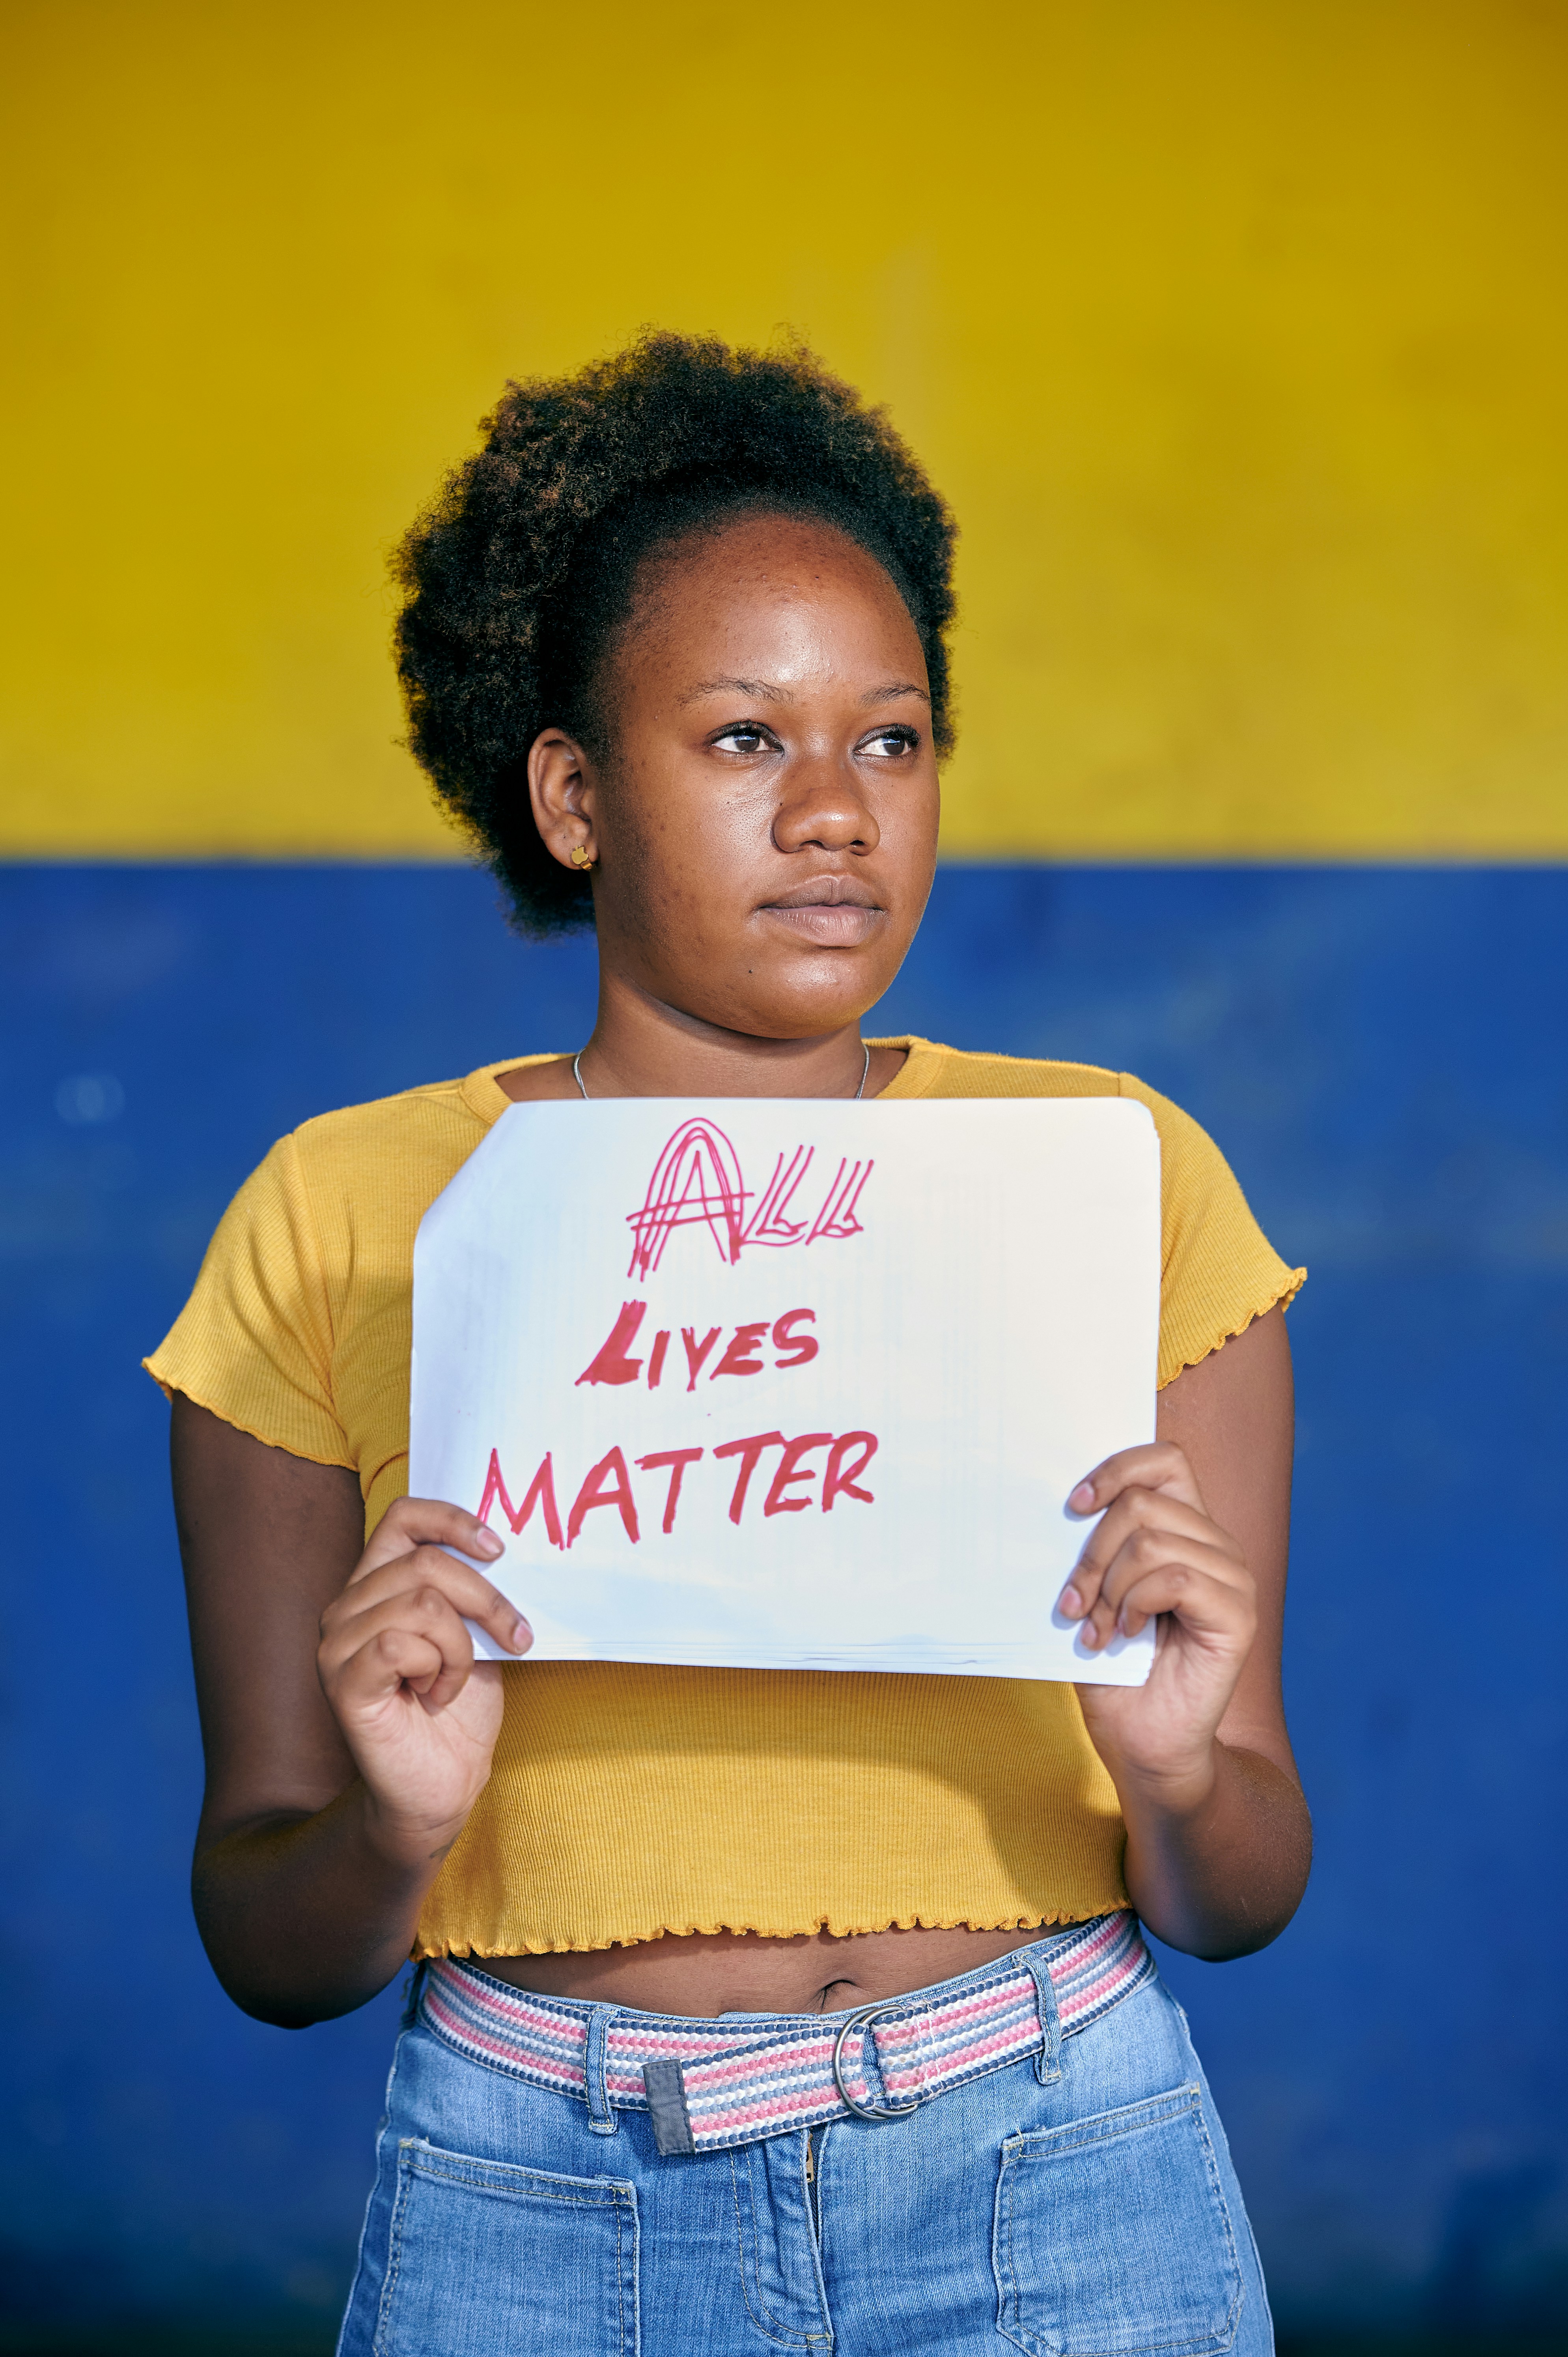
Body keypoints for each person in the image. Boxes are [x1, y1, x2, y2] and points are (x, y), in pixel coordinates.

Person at [148, 333, 1310, 2357]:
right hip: (537, 2195)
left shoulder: (1115, 1179)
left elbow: (1242, 1887)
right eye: (746, 742)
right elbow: (271, 1938)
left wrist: (1178, 1769)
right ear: (575, 795)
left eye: (893, 739)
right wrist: (394, 1827)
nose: (840, 813)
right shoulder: (341, 1217)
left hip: (1063, 2167)